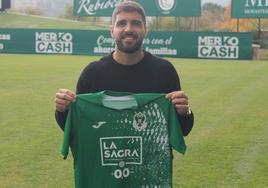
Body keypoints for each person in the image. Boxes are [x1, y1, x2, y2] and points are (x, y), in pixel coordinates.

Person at [55, 1, 194, 136]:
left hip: (151, 159)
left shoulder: (164, 71)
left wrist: (184, 111)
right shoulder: (92, 74)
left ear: (145, 30)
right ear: (112, 31)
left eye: (136, 23)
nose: (128, 29)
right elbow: (76, 128)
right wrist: (63, 110)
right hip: (105, 159)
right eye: (121, 23)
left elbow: (183, 130)